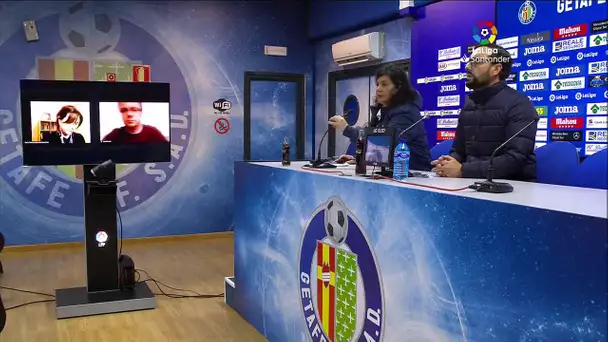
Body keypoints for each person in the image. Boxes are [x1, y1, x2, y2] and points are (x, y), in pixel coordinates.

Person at [431, 45, 538, 181]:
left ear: (496, 69)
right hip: (472, 184)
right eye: (469, 62)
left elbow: (515, 159)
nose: (468, 67)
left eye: (476, 62)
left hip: (510, 188)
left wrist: (463, 170)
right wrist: (449, 163)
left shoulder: (519, 104)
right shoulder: (469, 104)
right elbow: (459, 150)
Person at [329, 64, 432, 171]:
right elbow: (377, 146)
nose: (378, 89)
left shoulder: (407, 112)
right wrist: (361, 159)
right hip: (392, 172)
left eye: (384, 84)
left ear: (398, 87)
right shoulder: (383, 111)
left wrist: (347, 129)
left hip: (414, 174)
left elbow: (385, 145)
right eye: (377, 84)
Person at [102, 102, 168, 143]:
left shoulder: (153, 133)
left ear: (141, 112)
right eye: (124, 110)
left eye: (134, 110)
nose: (129, 114)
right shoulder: (114, 135)